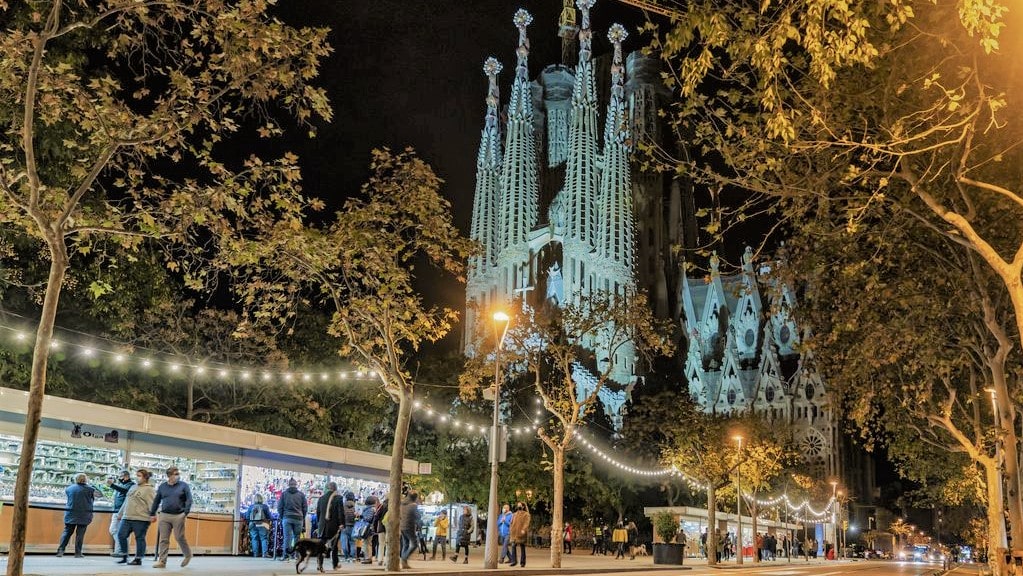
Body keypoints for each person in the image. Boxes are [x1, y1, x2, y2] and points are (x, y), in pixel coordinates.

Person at [149, 466, 193, 569]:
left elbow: (189, 499)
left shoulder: (184, 486)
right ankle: (162, 561)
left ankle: (188, 555)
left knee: (179, 537)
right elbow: (156, 500)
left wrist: (185, 513)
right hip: (164, 515)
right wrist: (152, 513)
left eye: (178, 474)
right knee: (164, 539)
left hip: (179, 515)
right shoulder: (162, 487)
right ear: (169, 476)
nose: (178, 476)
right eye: (175, 474)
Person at [115, 468, 155, 565]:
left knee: (139, 538)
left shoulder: (149, 489)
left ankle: (138, 558)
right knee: (121, 535)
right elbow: (126, 501)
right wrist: (120, 513)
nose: (137, 478)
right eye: (136, 475)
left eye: (139, 476)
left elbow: (152, 503)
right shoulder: (133, 487)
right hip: (127, 516)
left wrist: (153, 514)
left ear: (145, 477)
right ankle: (124, 556)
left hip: (140, 518)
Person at [56, 473, 101, 558]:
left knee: (67, 532)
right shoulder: (90, 489)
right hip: (84, 514)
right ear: (86, 479)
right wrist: (94, 486)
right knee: (80, 534)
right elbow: (100, 495)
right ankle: (78, 553)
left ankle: (60, 551)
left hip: (71, 513)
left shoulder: (69, 488)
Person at [277, 478, 307, 562]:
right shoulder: (301, 495)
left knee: (287, 537)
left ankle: (286, 555)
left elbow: (279, 507)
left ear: (289, 484)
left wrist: (282, 516)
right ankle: (297, 556)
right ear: (296, 484)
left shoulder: (284, 494)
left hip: (287, 518)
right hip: (298, 518)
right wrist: (302, 516)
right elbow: (305, 508)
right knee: (297, 538)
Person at [106, 469, 134, 557]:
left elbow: (123, 490)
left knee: (114, 529)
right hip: (117, 510)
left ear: (126, 477)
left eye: (121, 476)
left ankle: (121, 550)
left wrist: (112, 485)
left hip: (121, 511)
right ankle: (119, 550)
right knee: (117, 531)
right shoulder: (123, 484)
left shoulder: (131, 485)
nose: (120, 478)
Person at [315, 482, 341, 567]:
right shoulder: (338, 498)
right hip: (334, 526)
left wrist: (319, 523)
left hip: (322, 526)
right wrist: (341, 523)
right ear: (335, 489)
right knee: (334, 546)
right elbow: (340, 513)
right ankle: (335, 564)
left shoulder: (321, 498)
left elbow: (318, 513)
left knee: (321, 546)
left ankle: (320, 564)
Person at [399, 491, 421, 570]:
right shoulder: (413, 505)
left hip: (402, 526)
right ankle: (404, 559)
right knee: (415, 544)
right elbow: (418, 517)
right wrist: (420, 525)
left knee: (406, 544)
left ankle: (404, 562)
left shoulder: (403, 504)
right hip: (409, 526)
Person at [248, 494, 272, 558]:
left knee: (254, 538)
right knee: (264, 538)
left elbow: (247, 516)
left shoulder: (251, 507)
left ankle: (255, 554)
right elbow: (269, 516)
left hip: (253, 524)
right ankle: (264, 554)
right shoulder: (265, 507)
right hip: (262, 524)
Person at [508, 502, 530, 567]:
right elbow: (511, 522)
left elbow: (527, 523)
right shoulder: (514, 514)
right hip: (514, 533)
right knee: (513, 546)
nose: (518, 506)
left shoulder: (526, 514)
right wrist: (510, 529)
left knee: (522, 547)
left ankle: (523, 562)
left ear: (523, 506)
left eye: (520, 505)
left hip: (521, 532)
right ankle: (514, 561)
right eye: (518, 505)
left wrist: (524, 529)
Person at [360, 495, 379, 564]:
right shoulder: (372, 509)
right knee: (367, 543)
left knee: (367, 543)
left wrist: (361, 516)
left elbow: (368, 518)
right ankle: (367, 557)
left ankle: (368, 558)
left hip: (368, 528)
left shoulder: (370, 509)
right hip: (368, 528)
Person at [340, 492, 357, 562]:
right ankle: (353, 557)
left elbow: (340, 515)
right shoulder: (356, 506)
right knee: (352, 542)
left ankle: (346, 556)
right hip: (353, 526)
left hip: (344, 526)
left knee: (344, 541)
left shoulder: (343, 506)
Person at [374, 497, 389, 566]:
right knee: (388, 544)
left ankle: (380, 559)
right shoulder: (393, 507)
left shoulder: (382, 506)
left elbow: (376, 516)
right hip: (389, 528)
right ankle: (387, 560)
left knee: (381, 544)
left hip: (381, 528)